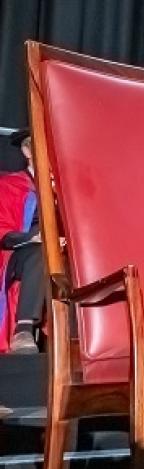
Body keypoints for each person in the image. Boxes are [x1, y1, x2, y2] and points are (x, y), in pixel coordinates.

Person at [1, 129, 41, 354]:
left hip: (64, 255)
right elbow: (2, 229)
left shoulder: (68, 187)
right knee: (41, 251)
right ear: (27, 150)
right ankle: (23, 329)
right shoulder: (10, 185)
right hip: (21, 255)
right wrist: (30, 237)